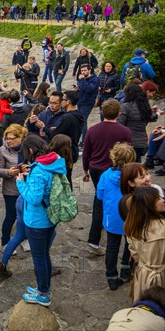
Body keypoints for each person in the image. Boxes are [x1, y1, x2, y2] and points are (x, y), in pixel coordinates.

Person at [17, 134, 66, 306]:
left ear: (30, 150)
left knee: (39, 258)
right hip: (51, 216)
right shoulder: (54, 162)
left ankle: (43, 294)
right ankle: (41, 287)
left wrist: (20, 182)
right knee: (44, 255)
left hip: (37, 221)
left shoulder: (39, 171)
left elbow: (34, 198)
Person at [83, 99, 133, 253]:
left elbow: (86, 153)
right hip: (117, 169)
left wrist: (85, 171)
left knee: (99, 202)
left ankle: (93, 240)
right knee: (119, 199)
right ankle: (118, 227)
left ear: (102, 112)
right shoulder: (125, 131)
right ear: (119, 113)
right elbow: (130, 153)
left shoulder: (92, 130)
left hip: (96, 169)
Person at [96, 142, 136, 290]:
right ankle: (126, 268)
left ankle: (111, 277)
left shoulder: (106, 175)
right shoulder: (133, 176)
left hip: (112, 216)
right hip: (130, 216)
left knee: (112, 247)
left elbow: (99, 195)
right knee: (129, 243)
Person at [123, 187, 165, 302]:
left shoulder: (131, 226)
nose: (163, 200)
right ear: (150, 205)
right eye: (158, 199)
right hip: (161, 275)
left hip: (143, 274)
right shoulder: (163, 227)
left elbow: (134, 254)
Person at [0, 124, 27, 250]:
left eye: (12, 138)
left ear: (21, 137)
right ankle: (5, 241)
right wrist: (8, 172)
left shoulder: (28, 147)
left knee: (26, 215)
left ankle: (25, 239)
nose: (9, 141)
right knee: (11, 216)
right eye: (7, 138)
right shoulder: (3, 150)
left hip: (26, 188)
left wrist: (28, 168)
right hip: (10, 189)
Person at [118, 84, 159, 162]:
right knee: (137, 164)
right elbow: (149, 117)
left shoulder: (125, 106)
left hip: (128, 142)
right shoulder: (144, 106)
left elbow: (120, 124)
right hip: (141, 142)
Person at [76, 64, 99, 146]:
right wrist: (77, 88)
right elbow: (82, 88)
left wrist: (82, 80)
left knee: (83, 120)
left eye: (85, 70)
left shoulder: (94, 79)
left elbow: (88, 89)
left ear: (89, 70)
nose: (83, 72)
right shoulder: (82, 79)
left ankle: (85, 141)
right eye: (82, 70)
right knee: (81, 121)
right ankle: (83, 140)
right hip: (80, 101)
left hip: (88, 102)